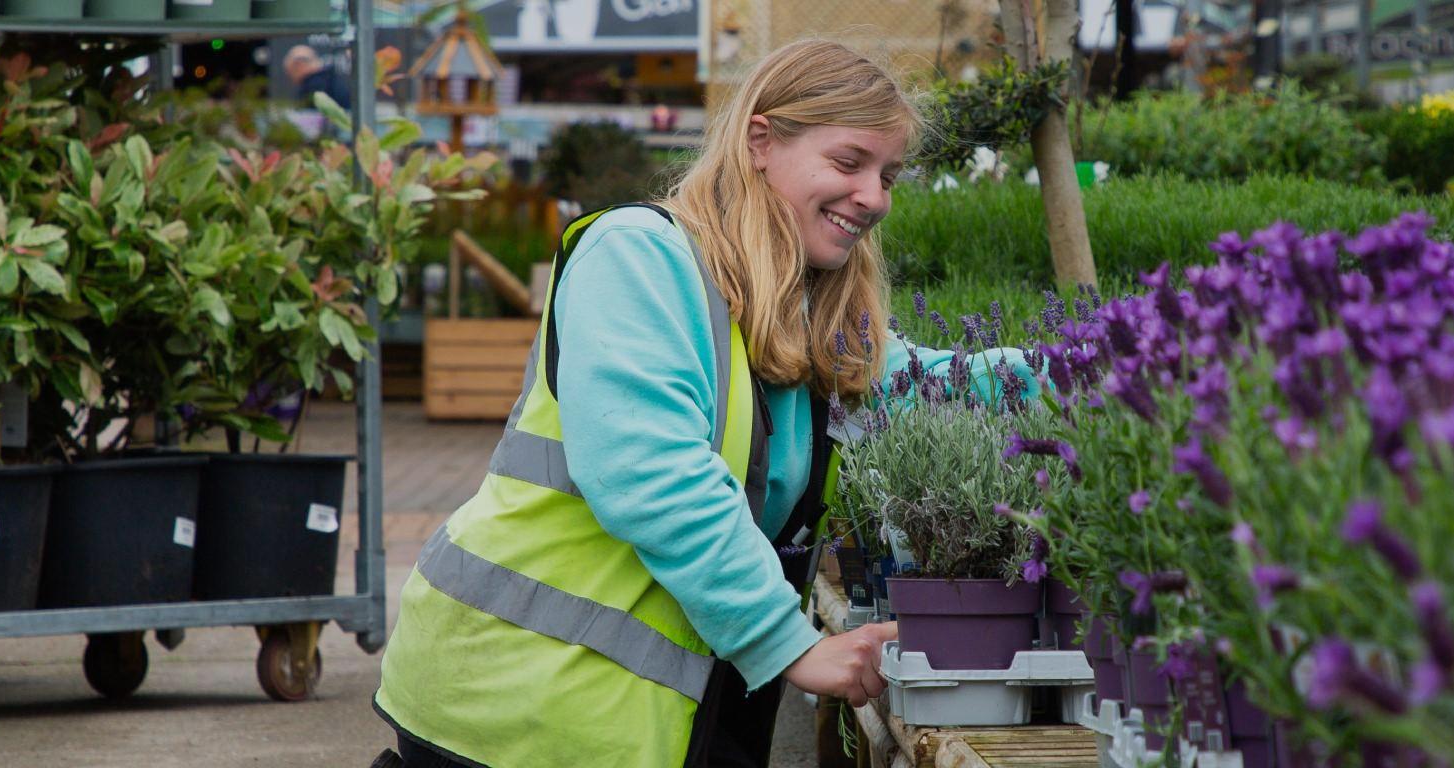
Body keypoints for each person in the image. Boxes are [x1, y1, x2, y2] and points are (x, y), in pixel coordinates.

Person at [372, 40, 1040, 768]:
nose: (875, 198)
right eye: (849, 164)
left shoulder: (807, 313)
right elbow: (651, 473)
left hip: (634, 717)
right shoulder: (638, 258)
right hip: (511, 699)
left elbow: (940, 387)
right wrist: (789, 644)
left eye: (889, 175)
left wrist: (1110, 367)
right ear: (760, 140)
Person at [283, 44, 350, 109]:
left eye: (292, 71)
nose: (292, 78)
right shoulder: (332, 80)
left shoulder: (313, 88)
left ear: (300, 65)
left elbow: (309, 117)